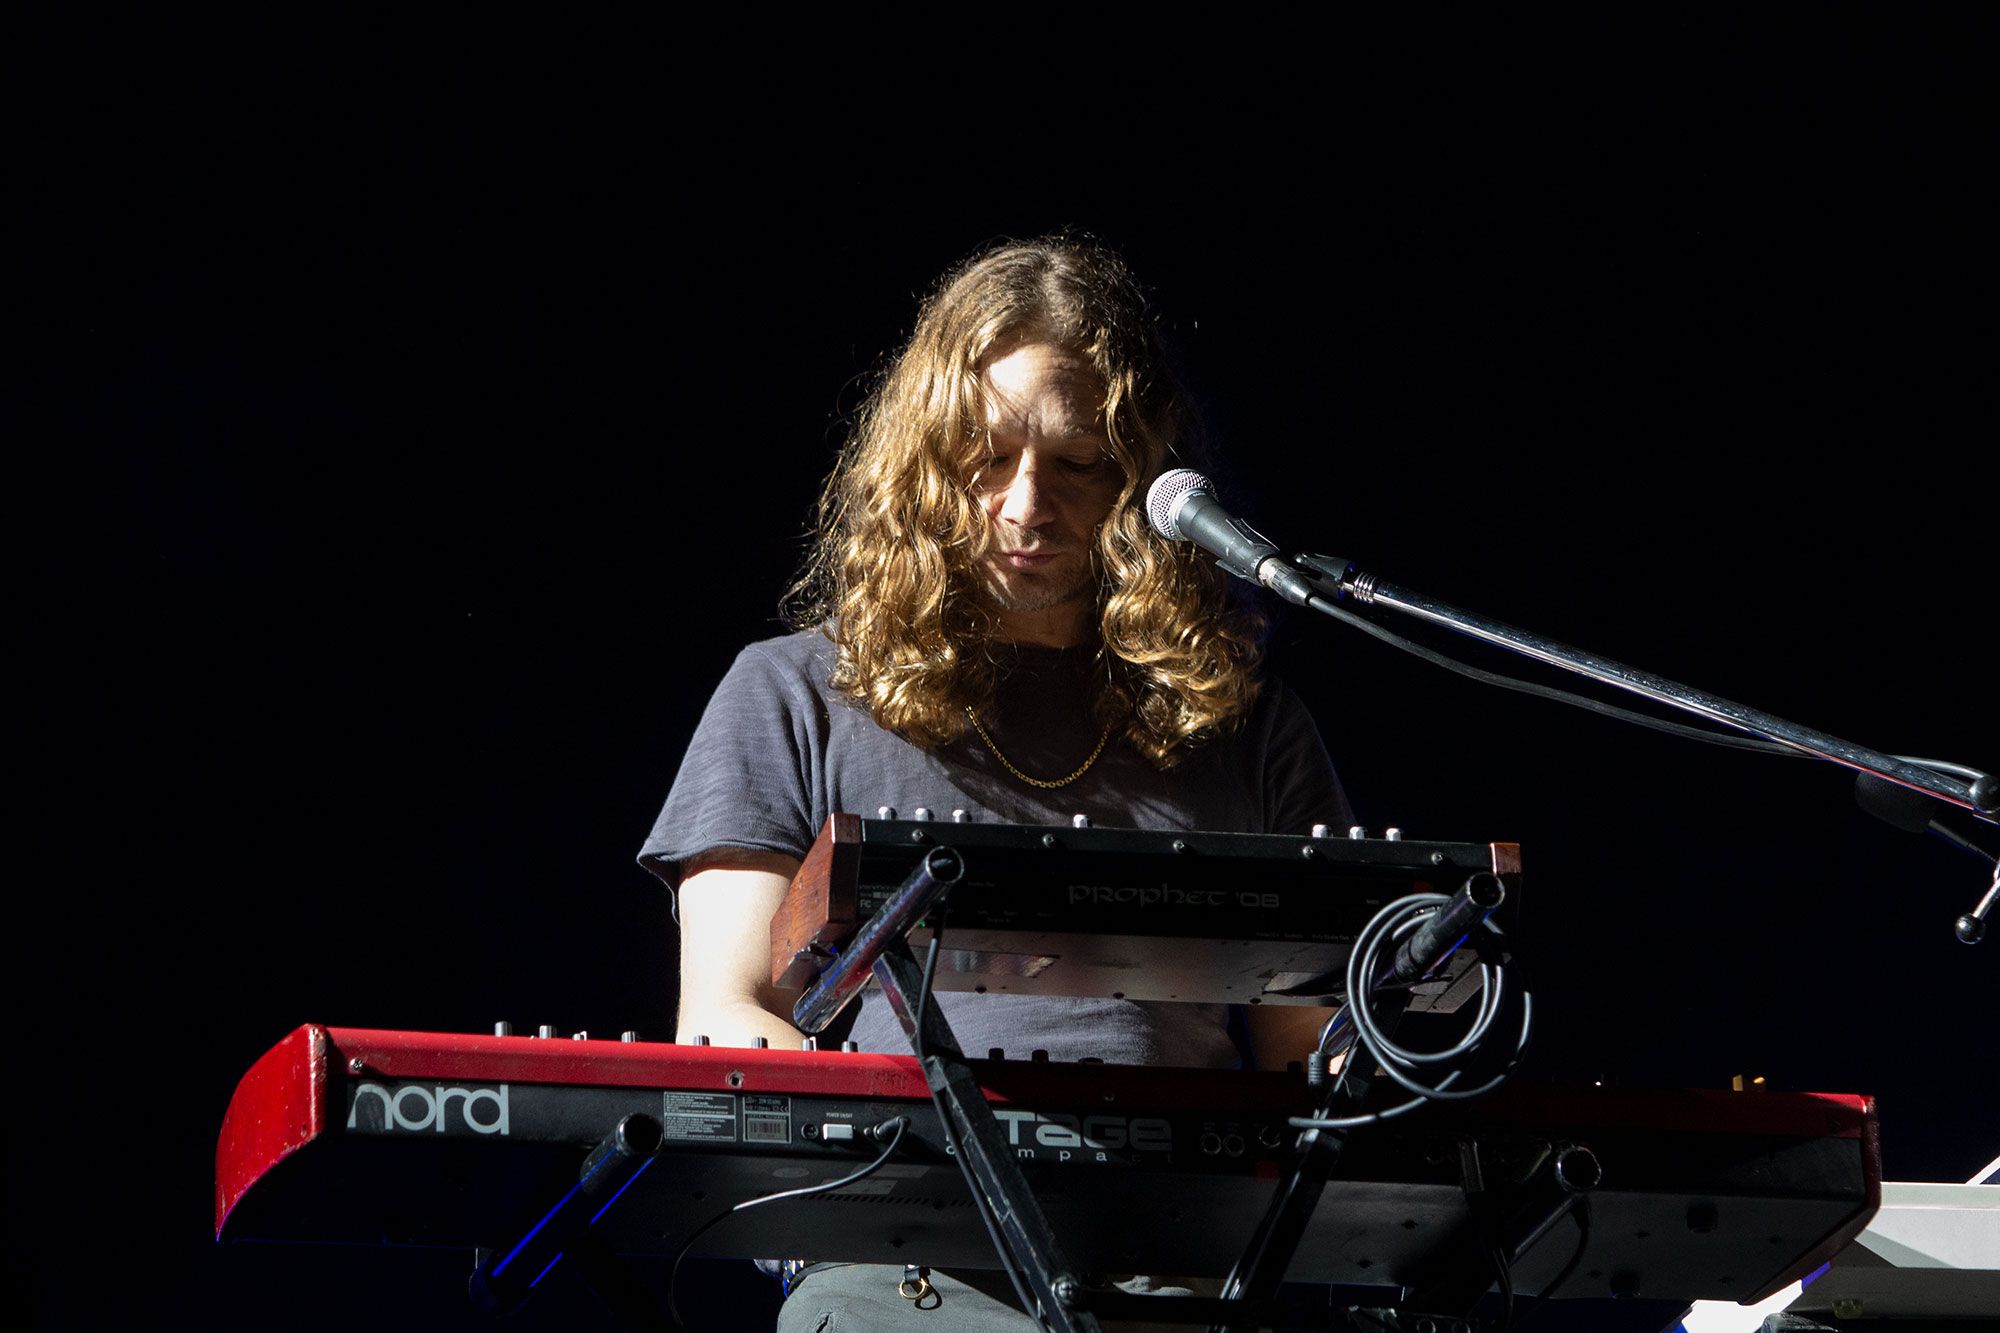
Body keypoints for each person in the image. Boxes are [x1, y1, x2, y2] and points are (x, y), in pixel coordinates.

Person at [639, 237, 1352, 1328]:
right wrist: (943, 1138)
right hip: (896, 1254)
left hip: (1184, 1272)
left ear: (1141, 477)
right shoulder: (789, 694)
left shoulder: (1244, 727)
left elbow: (1312, 1055)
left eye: (1074, 463)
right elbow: (725, 1016)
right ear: (923, 454)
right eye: (985, 453)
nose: (1025, 503)